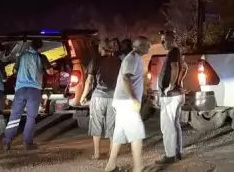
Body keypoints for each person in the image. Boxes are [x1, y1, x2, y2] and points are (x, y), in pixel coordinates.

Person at [106, 36, 151, 172]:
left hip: (122, 102)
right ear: (141, 46)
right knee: (137, 133)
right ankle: (138, 167)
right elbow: (126, 78)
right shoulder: (132, 58)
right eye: (148, 45)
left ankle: (111, 166)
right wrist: (133, 99)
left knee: (119, 134)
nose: (149, 47)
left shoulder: (135, 58)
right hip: (126, 102)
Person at [1, 39, 54, 151]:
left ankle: (6, 142)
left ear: (30, 46)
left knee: (14, 115)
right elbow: (50, 72)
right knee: (31, 117)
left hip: (20, 89)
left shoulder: (21, 56)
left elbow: (15, 70)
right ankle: (27, 143)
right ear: (40, 48)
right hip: (34, 90)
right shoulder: (41, 57)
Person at [80, 40, 121, 160]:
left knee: (96, 125)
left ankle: (97, 154)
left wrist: (83, 96)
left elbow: (89, 80)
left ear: (102, 48)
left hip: (98, 96)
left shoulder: (96, 60)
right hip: (113, 97)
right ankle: (111, 153)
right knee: (112, 125)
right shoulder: (118, 61)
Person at [156, 30, 187, 164]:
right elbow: (185, 68)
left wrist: (171, 85)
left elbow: (175, 68)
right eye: (161, 40)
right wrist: (179, 82)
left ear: (171, 39)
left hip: (171, 96)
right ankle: (177, 152)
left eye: (164, 40)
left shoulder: (173, 52)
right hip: (177, 94)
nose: (162, 43)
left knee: (168, 126)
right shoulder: (177, 53)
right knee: (175, 124)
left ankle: (170, 155)